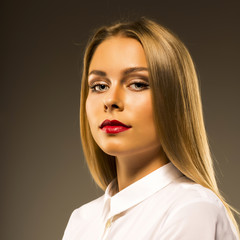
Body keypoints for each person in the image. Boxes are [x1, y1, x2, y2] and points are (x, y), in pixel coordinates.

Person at [62, 17, 239, 239]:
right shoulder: (82, 220)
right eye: (99, 86)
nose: (111, 100)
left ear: (174, 100)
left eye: (137, 84)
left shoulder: (192, 209)